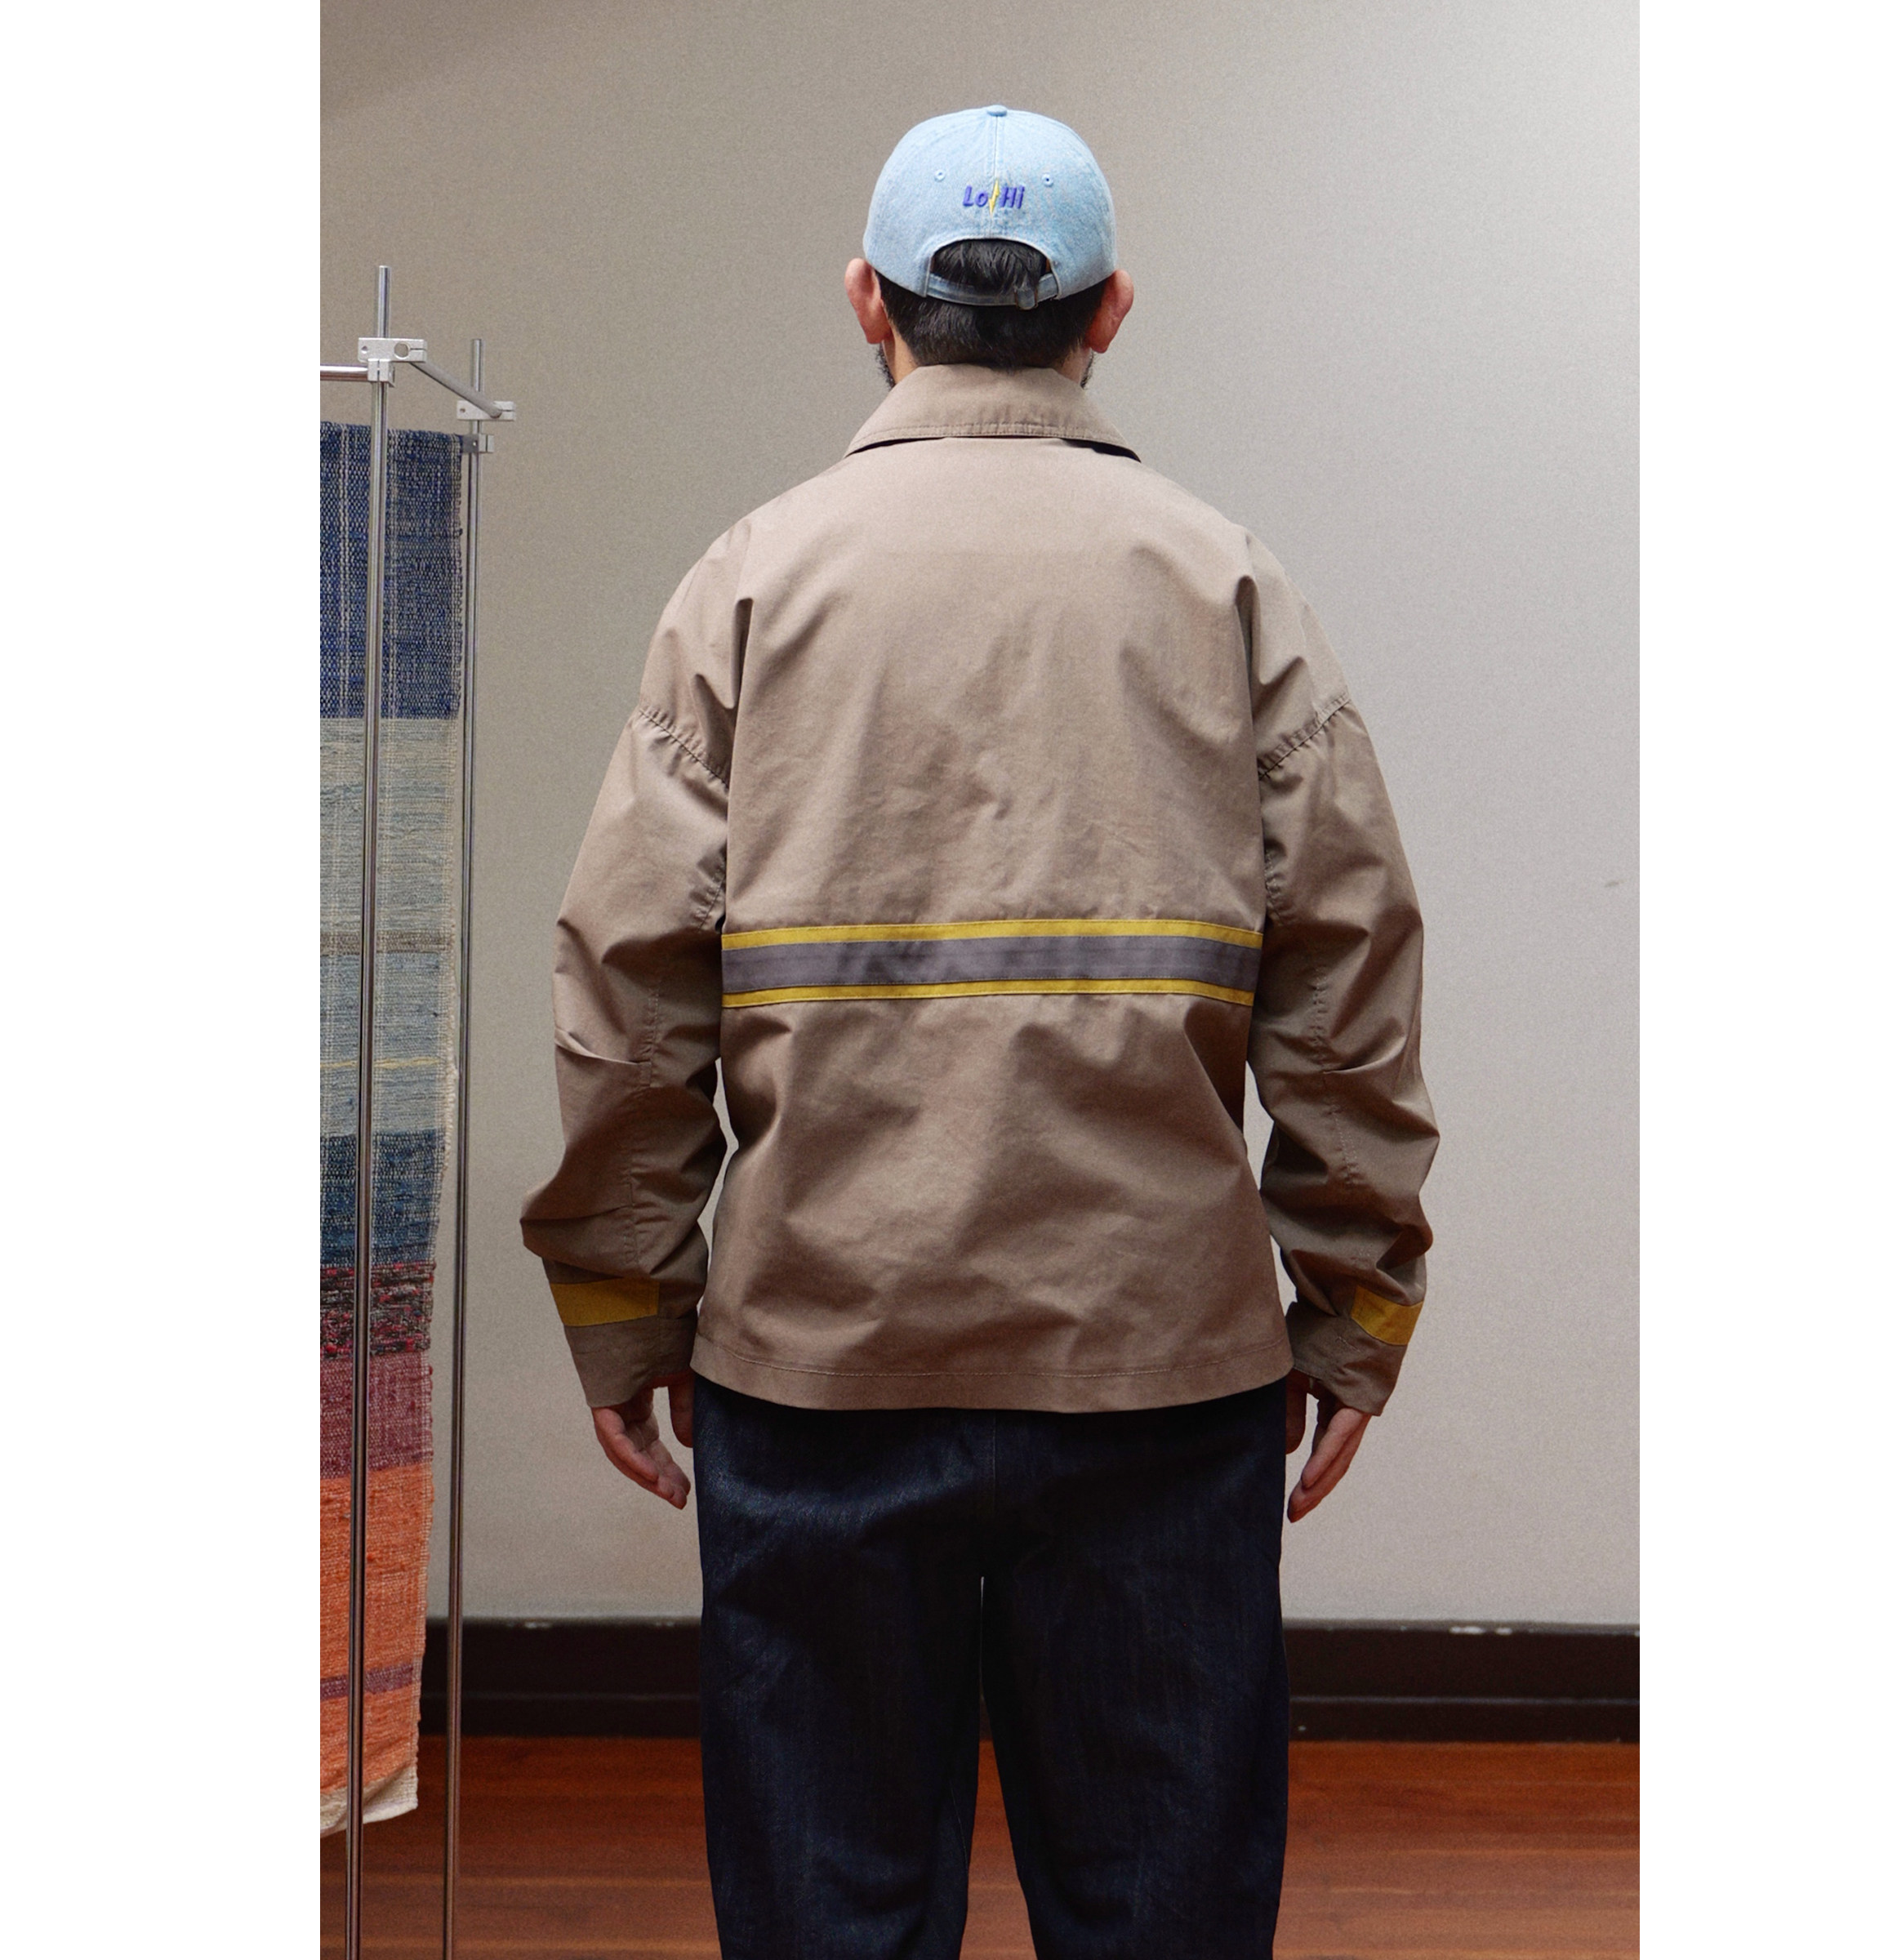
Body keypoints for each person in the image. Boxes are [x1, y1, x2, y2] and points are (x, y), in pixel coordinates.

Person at [520, 105, 1438, 1960]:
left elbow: (629, 980)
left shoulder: (754, 581)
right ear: (1110, 312)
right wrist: (1353, 1306)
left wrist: (625, 1298)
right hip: (1161, 1384)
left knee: (831, 1910)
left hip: (821, 1373)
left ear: (869, 300)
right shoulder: (1224, 584)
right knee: (1161, 1912)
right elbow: (1349, 986)